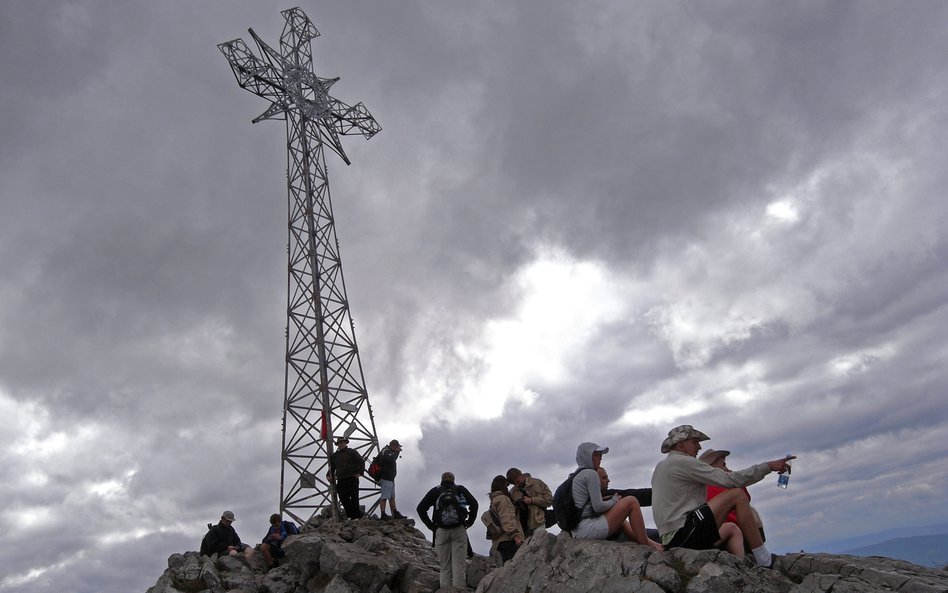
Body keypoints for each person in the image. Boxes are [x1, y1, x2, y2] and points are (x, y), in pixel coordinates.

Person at [651, 425, 793, 568]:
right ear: (681, 444)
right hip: (684, 535)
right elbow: (731, 480)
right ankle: (764, 560)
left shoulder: (661, 466)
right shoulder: (683, 462)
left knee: (730, 527)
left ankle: (741, 566)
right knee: (736, 494)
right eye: (695, 442)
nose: (699, 447)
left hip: (671, 540)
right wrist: (768, 466)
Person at [570, 442, 663, 551]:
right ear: (586, 456)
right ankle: (647, 547)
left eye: (600, 455)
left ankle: (651, 544)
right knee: (631, 501)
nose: (600, 458)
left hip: (578, 530)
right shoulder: (591, 474)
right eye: (596, 455)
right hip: (588, 530)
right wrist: (614, 500)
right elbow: (598, 507)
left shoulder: (575, 476)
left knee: (622, 517)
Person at [416, 471, 479, 589]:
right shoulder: (460, 489)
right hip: (459, 530)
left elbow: (420, 509)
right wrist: (469, 521)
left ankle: (445, 590)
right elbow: (474, 504)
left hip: (441, 531)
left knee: (445, 567)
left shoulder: (435, 491)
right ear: (453, 480)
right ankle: (459, 590)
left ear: (442, 480)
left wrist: (431, 526)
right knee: (459, 566)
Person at [699, 449, 766, 543]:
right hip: (734, 530)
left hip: (717, 531)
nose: (724, 459)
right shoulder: (728, 482)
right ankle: (758, 547)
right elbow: (745, 499)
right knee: (751, 510)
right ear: (712, 465)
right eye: (721, 461)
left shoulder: (700, 485)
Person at [597, 466, 661, 543]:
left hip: (619, 535)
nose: (608, 480)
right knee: (659, 536)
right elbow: (638, 496)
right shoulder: (605, 496)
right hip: (619, 537)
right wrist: (663, 493)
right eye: (604, 478)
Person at [506, 467, 553, 536]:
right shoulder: (513, 492)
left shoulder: (538, 483)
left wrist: (532, 500)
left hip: (538, 522)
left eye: (517, 481)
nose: (517, 485)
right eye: (514, 483)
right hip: (523, 528)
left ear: (521, 475)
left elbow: (549, 500)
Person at [326, 436, 365, 519]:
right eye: (339, 443)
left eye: (342, 442)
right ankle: (355, 515)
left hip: (352, 478)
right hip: (341, 479)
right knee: (343, 498)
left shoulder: (352, 452)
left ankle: (355, 516)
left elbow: (361, 461)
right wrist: (328, 475)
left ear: (346, 443)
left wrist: (360, 473)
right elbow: (332, 467)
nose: (341, 444)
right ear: (337, 445)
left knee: (354, 498)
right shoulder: (335, 456)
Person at [488, 475, 524, 563]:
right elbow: (507, 518)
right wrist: (515, 534)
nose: (508, 488)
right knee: (515, 567)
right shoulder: (503, 499)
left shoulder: (494, 500)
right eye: (506, 485)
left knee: (507, 567)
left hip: (500, 541)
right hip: (509, 539)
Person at [378, 439, 407, 520]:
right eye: (397, 447)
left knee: (392, 497)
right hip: (386, 478)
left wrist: (396, 452)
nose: (397, 449)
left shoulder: (388, 452)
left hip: (390, 478)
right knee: (384, 497)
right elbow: (391, 459)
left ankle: (395, 512)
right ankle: (383, 514)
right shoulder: (386, 451)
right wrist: (397, 452)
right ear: (393, 446)